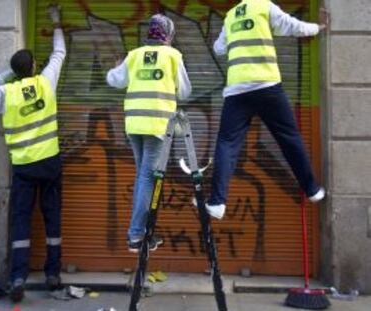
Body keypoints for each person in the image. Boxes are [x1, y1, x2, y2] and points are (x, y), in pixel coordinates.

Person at [0, 5, 66, 302]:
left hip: (23, 166)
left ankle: (17, 278)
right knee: (52, 219)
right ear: (35, 66)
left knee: (21, 221)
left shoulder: (6, 94)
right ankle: (52, 274)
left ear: (16, 70)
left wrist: (4, 76)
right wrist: (56, 21)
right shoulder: (46, 83)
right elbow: (59, 54)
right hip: (49, 163)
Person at [207, 0, 328, 219]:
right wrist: (318, 28)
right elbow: (291, 26)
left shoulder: (232, 15)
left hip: (237, 91)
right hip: (266, 86)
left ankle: (217, 202)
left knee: (227, 143)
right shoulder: (263, 6)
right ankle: (312, 190)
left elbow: (218, 48)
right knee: (289, 137)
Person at [106, 14, 192, 253]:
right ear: (169, 34)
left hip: (134, 124)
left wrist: (115, 67)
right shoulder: (172, 56)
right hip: (157, 126)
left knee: (143, 177)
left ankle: (143, 232)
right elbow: (185, 92)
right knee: (146, 178)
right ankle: (136, 235)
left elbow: (114, 80)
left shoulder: (134, 55)